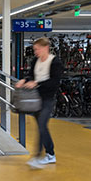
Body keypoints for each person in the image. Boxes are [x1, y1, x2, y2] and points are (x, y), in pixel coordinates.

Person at [16, 37, 63, 167]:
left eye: (37, 49)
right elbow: (31, 75)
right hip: (35, 99)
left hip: (48, 98)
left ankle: (38, 156)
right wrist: (25, 80)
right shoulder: (35, 61)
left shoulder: (54, 62)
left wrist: (37, 83)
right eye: (34, 49)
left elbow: (54, 82)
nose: (35, 52)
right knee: (42, 127)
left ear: (45, 48)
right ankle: (50, 154)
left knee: (42, 124)